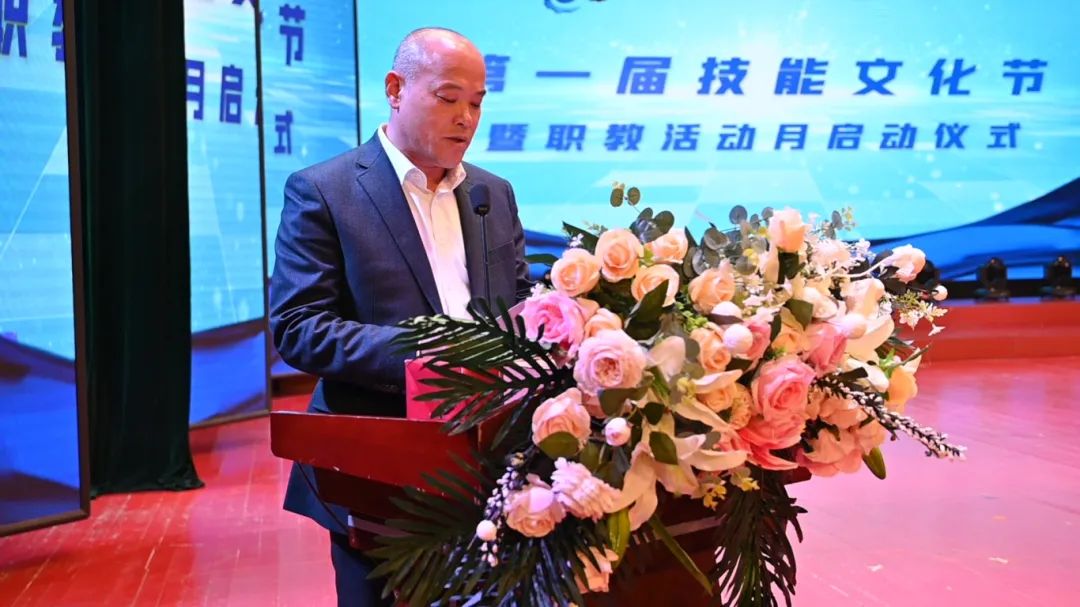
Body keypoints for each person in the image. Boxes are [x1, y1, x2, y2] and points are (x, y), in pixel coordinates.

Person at [269, 27, 532, 607]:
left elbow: (519, 302)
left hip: (491, 464)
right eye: (448, 97)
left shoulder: (493, 193)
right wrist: (431, 356)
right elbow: (299, 326)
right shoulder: (325, 190)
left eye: (477, 103)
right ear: (395, 88)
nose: (466, 118)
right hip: (379, 467)